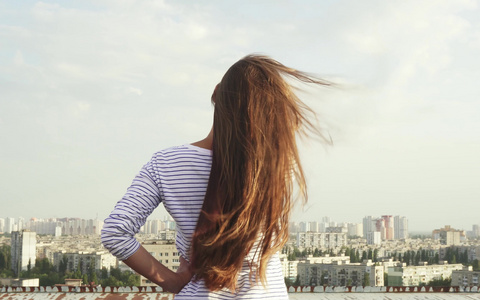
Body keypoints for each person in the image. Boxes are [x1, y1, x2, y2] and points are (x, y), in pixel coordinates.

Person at [101, 54, 329, 298]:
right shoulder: (279, 164)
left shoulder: (165, 164)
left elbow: (115, 232)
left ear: (215, 94)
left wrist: (173, 282)